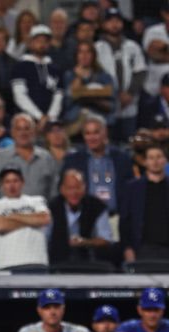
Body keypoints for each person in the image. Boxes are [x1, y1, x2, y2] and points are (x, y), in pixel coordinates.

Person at [61, 115, 133, 216]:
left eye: (96, 132)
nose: (92, 138)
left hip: (116, 218)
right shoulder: (73, 161)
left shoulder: (122, 158)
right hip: (85, 219)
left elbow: (130, 191)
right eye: (88, 133)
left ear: (105, 132)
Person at [94, 8, 146, 142]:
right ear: (103, 24)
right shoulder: (97, 48)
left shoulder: (132, 46)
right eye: (110, 21)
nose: (114, 24)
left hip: (130, 105)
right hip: (106, 106)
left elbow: (140, 72)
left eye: (117, 21)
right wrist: (112, 95)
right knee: (109, 143)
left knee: (129, 143)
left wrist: (129, 93)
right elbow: (95, 74)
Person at [0, 167, 51, 273]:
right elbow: (0, 226)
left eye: (15, 181)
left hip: (37, 262)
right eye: (7, 182)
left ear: (22, 183)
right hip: (7, 264)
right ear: (2, 185)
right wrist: (32, 220)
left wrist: (13, 216)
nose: (12, 185)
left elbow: (44, 219)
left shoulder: (36, 200)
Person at [47, 169, 114, 268]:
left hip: (89, 263)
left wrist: (85, 242)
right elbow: (45, 239)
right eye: (70, 188)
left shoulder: (97, 206)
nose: (74, 192)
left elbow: (106, 239)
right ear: (62, 189)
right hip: (57, 263)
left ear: (84, 188)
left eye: (78, 187)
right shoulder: (51, 207)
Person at [0, 113, 60, 201]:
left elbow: (54, 190)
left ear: (34, 132)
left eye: (27, 128)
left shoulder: (46, 158)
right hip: (7, 213)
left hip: (40, 213)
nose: (23, 133)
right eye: (18, 129)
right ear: (12, 132)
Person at [120, 145, 169, 263]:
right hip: (142, 249)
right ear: (145, 161)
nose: (155, 161)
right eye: (151, 158)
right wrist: (127, 248)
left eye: (158, 157)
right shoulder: (132, 188)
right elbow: (125, 221)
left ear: (165, 160)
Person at [11, 25, 63, 129]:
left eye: (45, 41)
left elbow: (58, 95)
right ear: (30, 43)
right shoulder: (20, 66)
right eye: (38, 40)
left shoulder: (55, 68)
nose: (42, 44)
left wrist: (50, 117)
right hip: (26, 122)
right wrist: (39, 116)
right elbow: (20, 96)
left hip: (51, 123)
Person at [62, 42, 116, 133]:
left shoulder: (104, 77)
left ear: (93, 56)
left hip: (100, 120)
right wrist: (79, 77)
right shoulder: (68, 75)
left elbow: (112, 106)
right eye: (81, 52)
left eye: (88, 52)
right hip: (75, 121)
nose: (84, 56)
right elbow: (67, 102)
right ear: (76, 55)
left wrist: (95, 100)